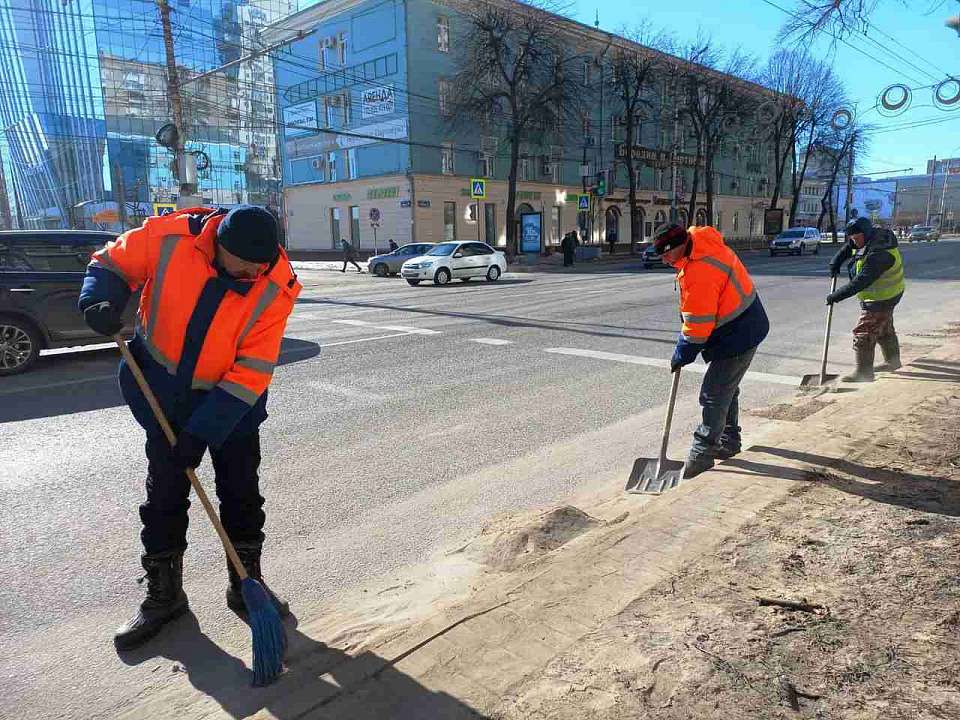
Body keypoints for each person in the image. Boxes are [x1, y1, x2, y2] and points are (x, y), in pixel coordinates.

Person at [78, 205, 301, 650]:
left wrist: (203, 431)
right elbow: (111, 261)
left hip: (231, 407)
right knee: (164, 495)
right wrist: (98, 298)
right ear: (218, 245)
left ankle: (245, 583)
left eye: (260, 265)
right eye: (243, 265)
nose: (252, 273)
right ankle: (165, 594)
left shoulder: (277, 286)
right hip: (162, 392)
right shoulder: (171, 238)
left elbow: (252, 370)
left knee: (240, 494)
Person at [654, 223, 770, 479]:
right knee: (726, 387)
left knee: (714, 394)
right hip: (739, 324)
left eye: (665, 254)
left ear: (679, 247)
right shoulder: (699, 243)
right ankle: (728, 441)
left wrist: (682, 352)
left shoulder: (701, 269)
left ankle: (702, 455)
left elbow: (698, 325)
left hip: (739, 333)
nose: (663, 260)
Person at [826, 216, 904, 382]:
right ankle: (892, 361)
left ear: (866, 234)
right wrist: (836, 261)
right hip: (887, 294)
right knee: (884, 328)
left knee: (863, 334)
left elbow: (861, 281)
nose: (853, 241)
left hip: (882, 297)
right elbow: (850, 247)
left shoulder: (880, 254)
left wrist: (836, 296)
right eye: (851, 237)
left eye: (856, 237)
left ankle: (864, 373)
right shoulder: (871, 238)